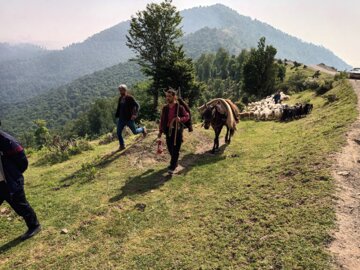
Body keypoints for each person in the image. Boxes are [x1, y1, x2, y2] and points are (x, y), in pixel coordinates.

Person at [0, 126, 41, 241]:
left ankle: (34, 226)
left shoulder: (7, 141)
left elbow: (22, 161)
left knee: (20, 204)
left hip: (9, 181)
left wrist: (14, 175)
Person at [158, 89, 190, 175]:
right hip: (168, 130)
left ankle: (172, 167)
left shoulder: (179, 107)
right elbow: (162, 120)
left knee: (175, 149)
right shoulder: (165, 108)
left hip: (177, 131)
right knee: (170, 148)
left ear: (174, 97)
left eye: (169, 96)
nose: (167, 98)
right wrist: (160, 131)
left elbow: (187, 116)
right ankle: (175, 162)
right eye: (166, 96)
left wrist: (180, 119)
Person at [115, 84, 147, 150]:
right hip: (121, 119)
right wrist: (118, 115)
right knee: (118, 133)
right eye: (120, 90)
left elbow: (137, 105)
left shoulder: (130, 98)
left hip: (129, 119)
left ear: (125, 90)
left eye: (122, 90)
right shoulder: (120, 98)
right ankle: (122, 145)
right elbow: (119, 108)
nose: (120, 92)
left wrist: (134, 114)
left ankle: (143, 129)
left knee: (135, 132)